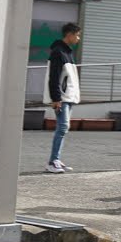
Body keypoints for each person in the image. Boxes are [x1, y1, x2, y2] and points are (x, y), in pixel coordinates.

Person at [46, 23, 82, 174]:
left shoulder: (67, 52)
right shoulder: (58, 52)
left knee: (63, 128)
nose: (78, 38)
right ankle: (52, 161)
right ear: (69, 34)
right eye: (77, 35)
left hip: (68, 96)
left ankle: (56, 159)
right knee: (62, 127)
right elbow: (53, 77)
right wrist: (56, 98)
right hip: (61, 97)